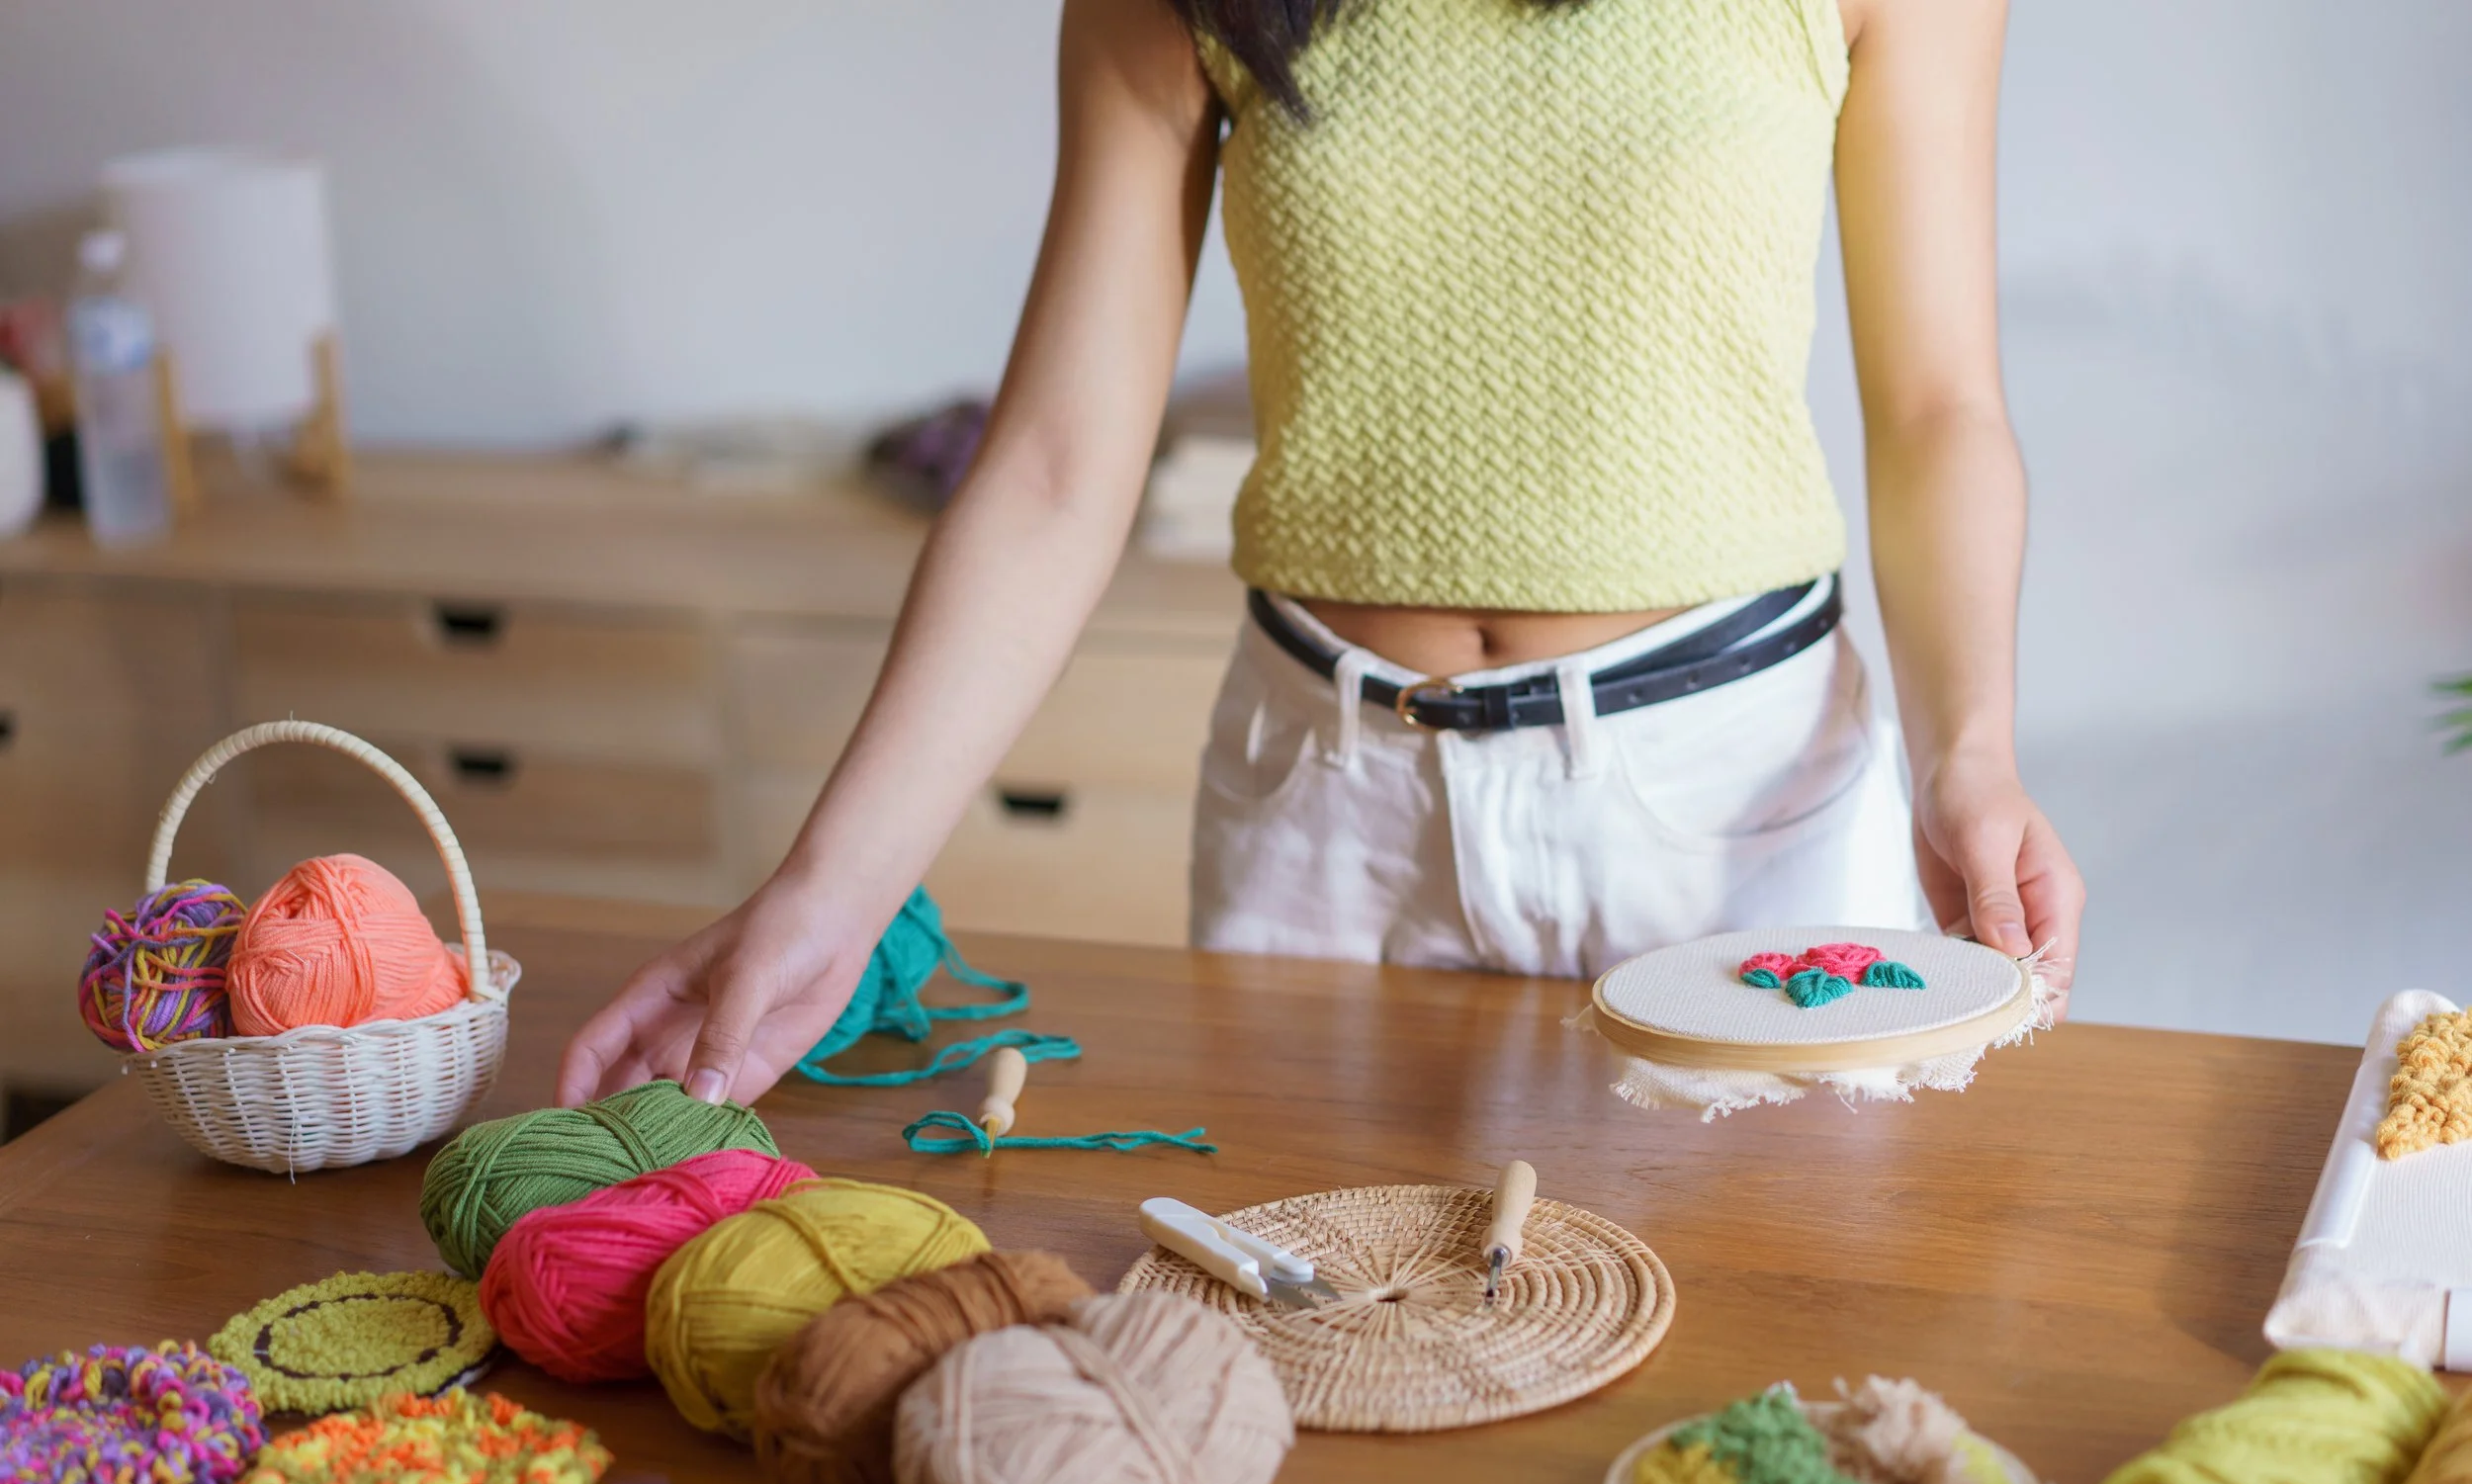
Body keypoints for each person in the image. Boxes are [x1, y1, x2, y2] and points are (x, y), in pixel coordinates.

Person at [558, 0, 2084, 1108]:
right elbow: (1053, 467)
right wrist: (826, 896)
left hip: (1738, 800)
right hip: (1326, 810)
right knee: (1319, 1412)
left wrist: (1975, 753)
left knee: (1765, 1380)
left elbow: (1941, 406)